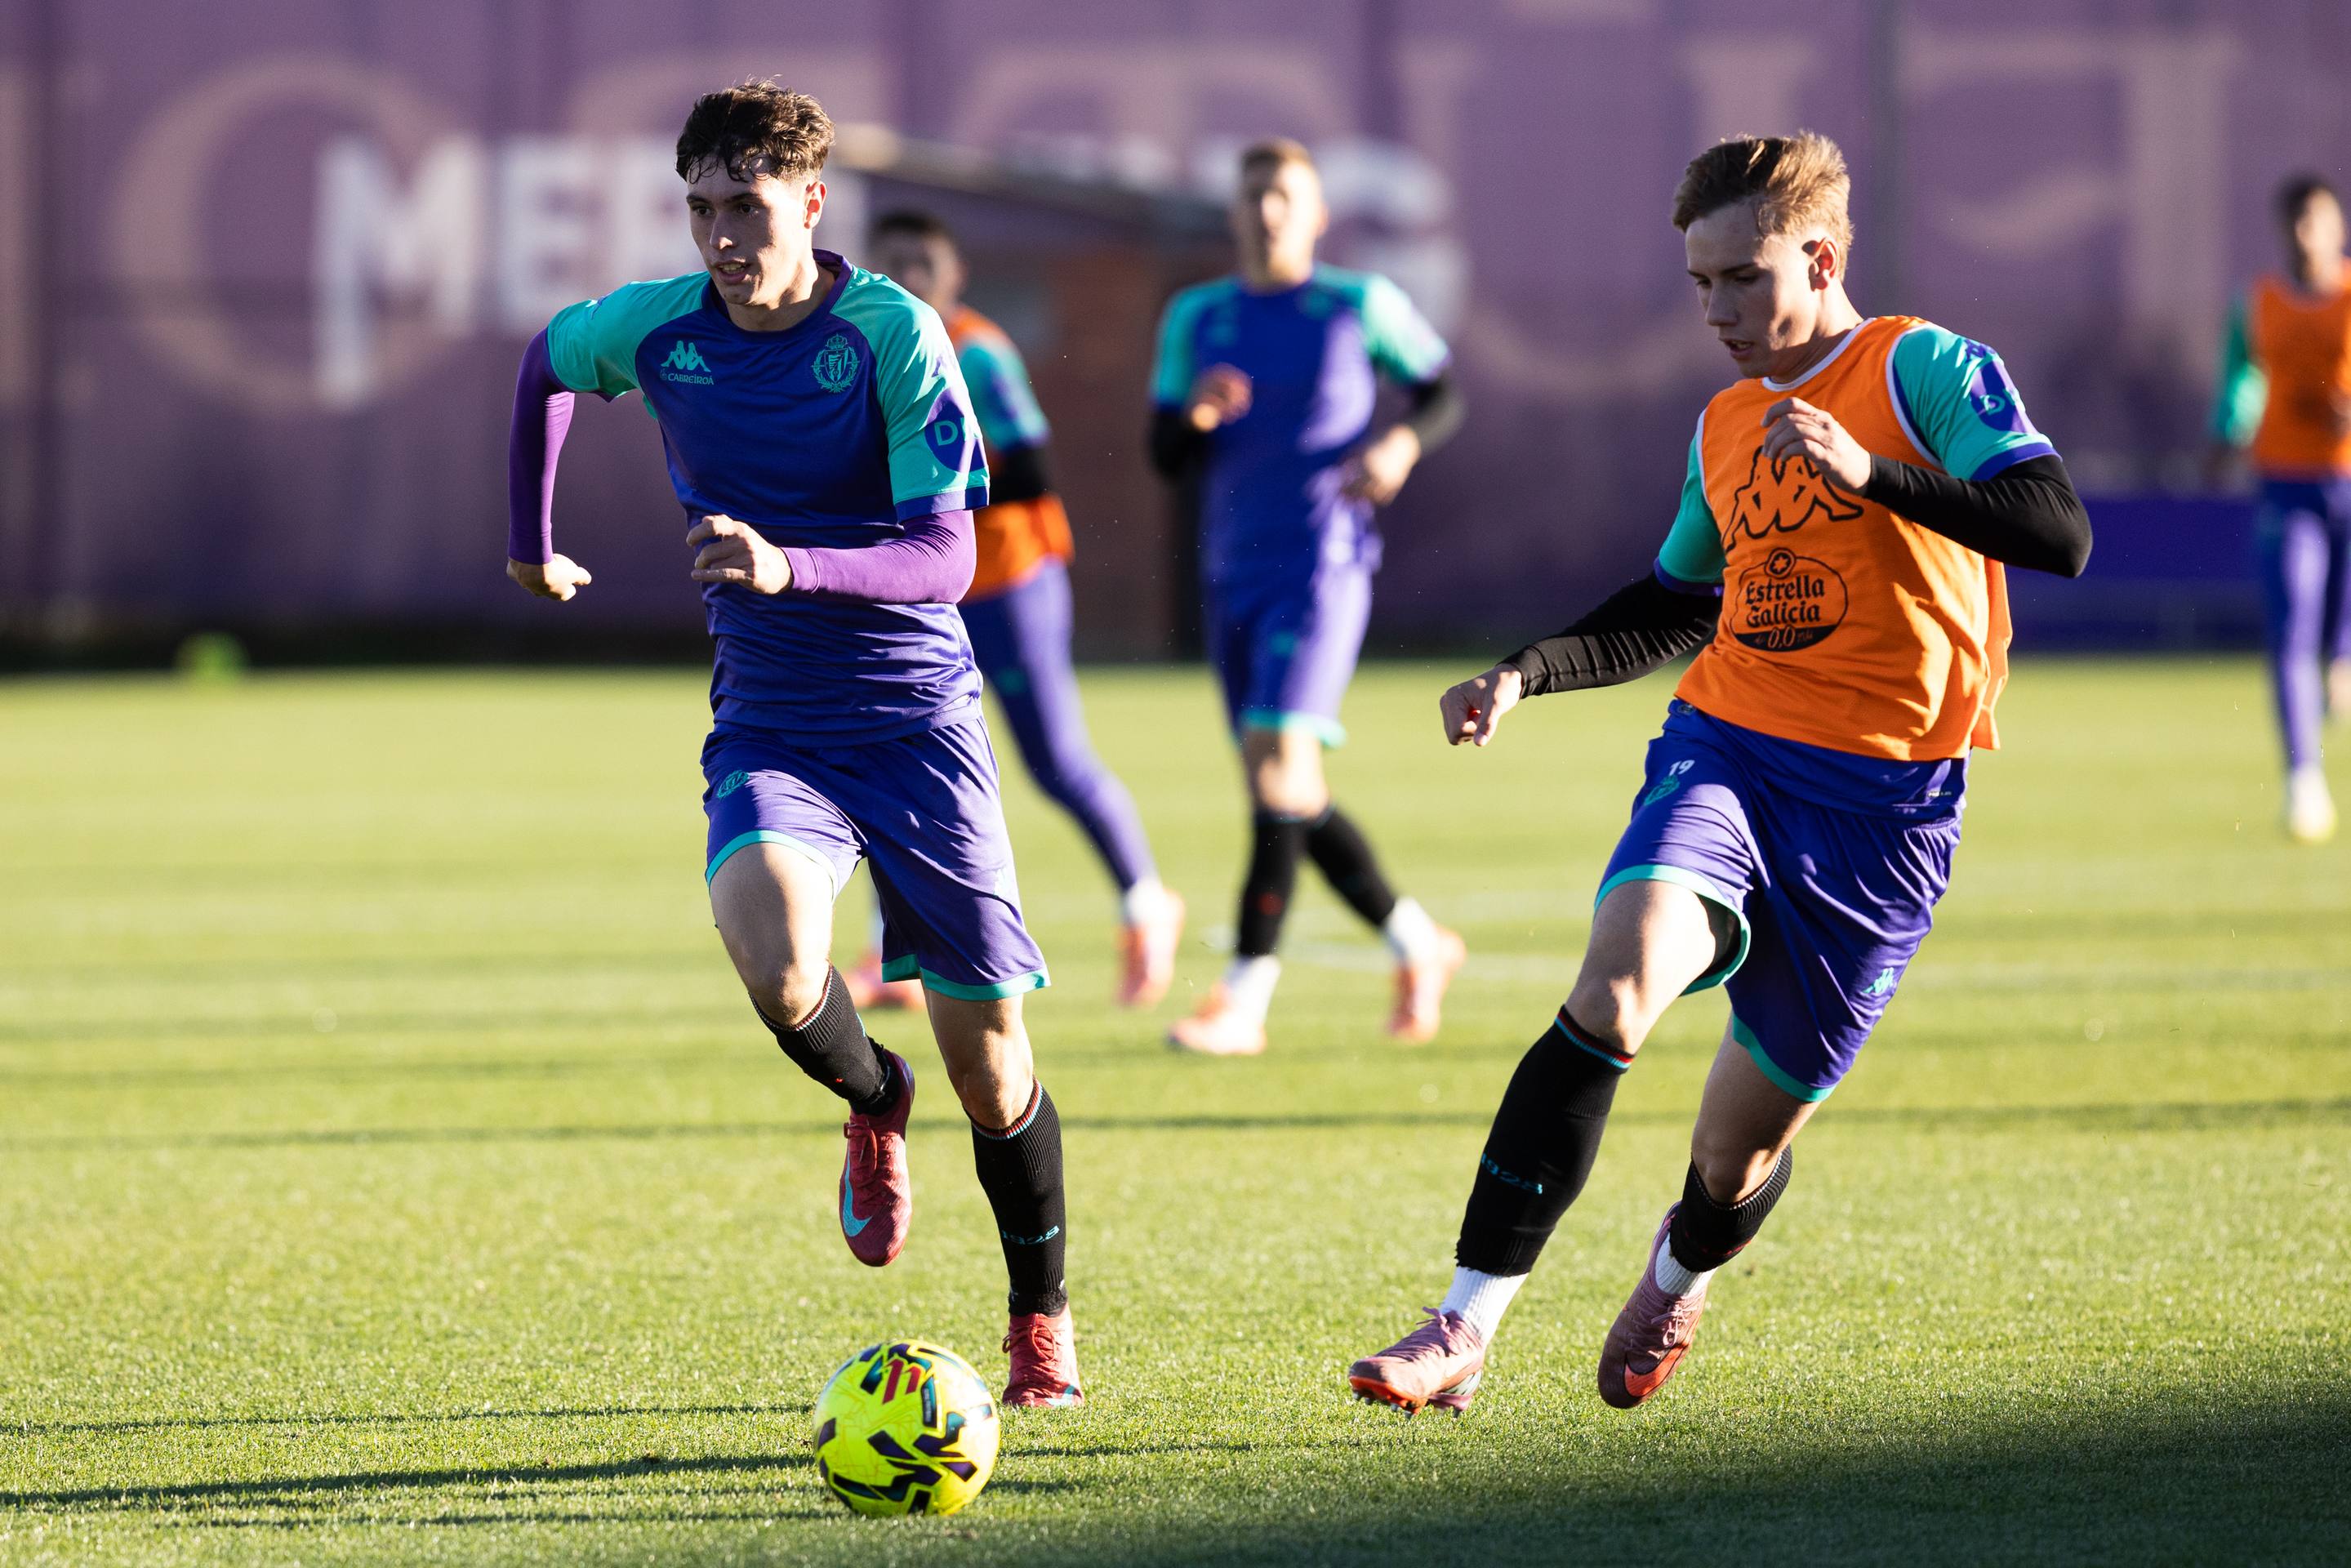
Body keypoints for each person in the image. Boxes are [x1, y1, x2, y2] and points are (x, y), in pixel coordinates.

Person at [1347, 132, 2090, 1414]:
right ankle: (1461, 1327)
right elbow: (1676, 603)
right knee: (1617, 979)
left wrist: (1878, 476)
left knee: (1729, 1158)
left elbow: (2056, 530)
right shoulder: (1724, 424)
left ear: (1821, 255)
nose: (1716, 312)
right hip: (1729, 751)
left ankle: (1680, 1268)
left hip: (1886, 814)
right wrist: (1524, 670)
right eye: (1698, 285)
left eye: (1740, 279)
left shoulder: (1919, 366)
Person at [502, 81, 1081, 1406]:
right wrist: (530, 539)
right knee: (774, 968)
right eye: (698, 207)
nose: (719, 234)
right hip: (772, 721)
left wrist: (785, 562)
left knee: (994, 1073)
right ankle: (875, 1107)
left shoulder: (891, 331)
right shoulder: (659, 332)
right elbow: (545, 358)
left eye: (744, 207)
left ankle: (1038, 1319)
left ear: (810, 204)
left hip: (918, 724)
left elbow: (944, 558)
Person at [1147, 138, 1469, 1058]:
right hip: (1229, 573)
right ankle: (1418, 944)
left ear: (1316, 213)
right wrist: (1191, 417)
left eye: (1284, 197)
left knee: (1276, 767)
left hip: (1323, 565)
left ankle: (1243, 999)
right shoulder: (1195, 318)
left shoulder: (1356, 304)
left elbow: (1437, 391)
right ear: (1233, 212)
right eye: (1251, 196)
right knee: (1288, 786)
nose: (1266, 212)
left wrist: (1399, 447)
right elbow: (1163, 456)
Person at [858, 208, 1187, 1009]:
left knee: (1054, 762)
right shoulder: (861, 350)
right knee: (887, 755)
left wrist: (926, 500)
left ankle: (1147, 904)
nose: (907, 279)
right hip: (922, 588)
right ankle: (889, 952)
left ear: (953, 275)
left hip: (1008, 580)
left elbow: (1033, 471)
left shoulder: (975, 352)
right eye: (891, 262)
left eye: (922, 265)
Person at [2210, 172, 2351, 844]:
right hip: (2287, 483)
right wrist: (2227, 431)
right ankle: (2303, 778)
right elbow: (2243, 376)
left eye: (2316, 222)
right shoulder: (2260, 303)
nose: (2305, 237)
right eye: (2294, 224)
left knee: (2338, 646)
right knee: (2290, 624)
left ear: (2336, 230)